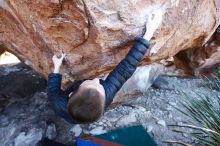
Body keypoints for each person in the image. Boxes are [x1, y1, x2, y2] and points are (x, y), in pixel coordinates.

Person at [47, 10, 163, 124]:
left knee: (73, 118)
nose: (97, 79)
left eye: (90, 82)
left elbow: (53, 89)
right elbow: (127, 67)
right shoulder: (106, 96)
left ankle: (77, 119)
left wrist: (57, 68)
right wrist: (149, 33)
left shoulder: (57, 102)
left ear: (71, 94)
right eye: (99, 86)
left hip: (66, 112)